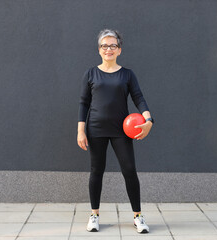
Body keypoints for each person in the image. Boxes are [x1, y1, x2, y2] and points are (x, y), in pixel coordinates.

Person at [77, 29, 154, 233]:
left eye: (112, 45)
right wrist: (81, 131)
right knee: (97, 171)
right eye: (104, 45)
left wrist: (148, 119)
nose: (108, 49)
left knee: (129, 170)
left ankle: (138, 216)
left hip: (122, 130)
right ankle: (94, 215)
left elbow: (139, 98)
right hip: (96, 128)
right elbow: (83, 103)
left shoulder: (127, 74)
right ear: (99, 50)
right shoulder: (91, 74)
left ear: (119, 49)